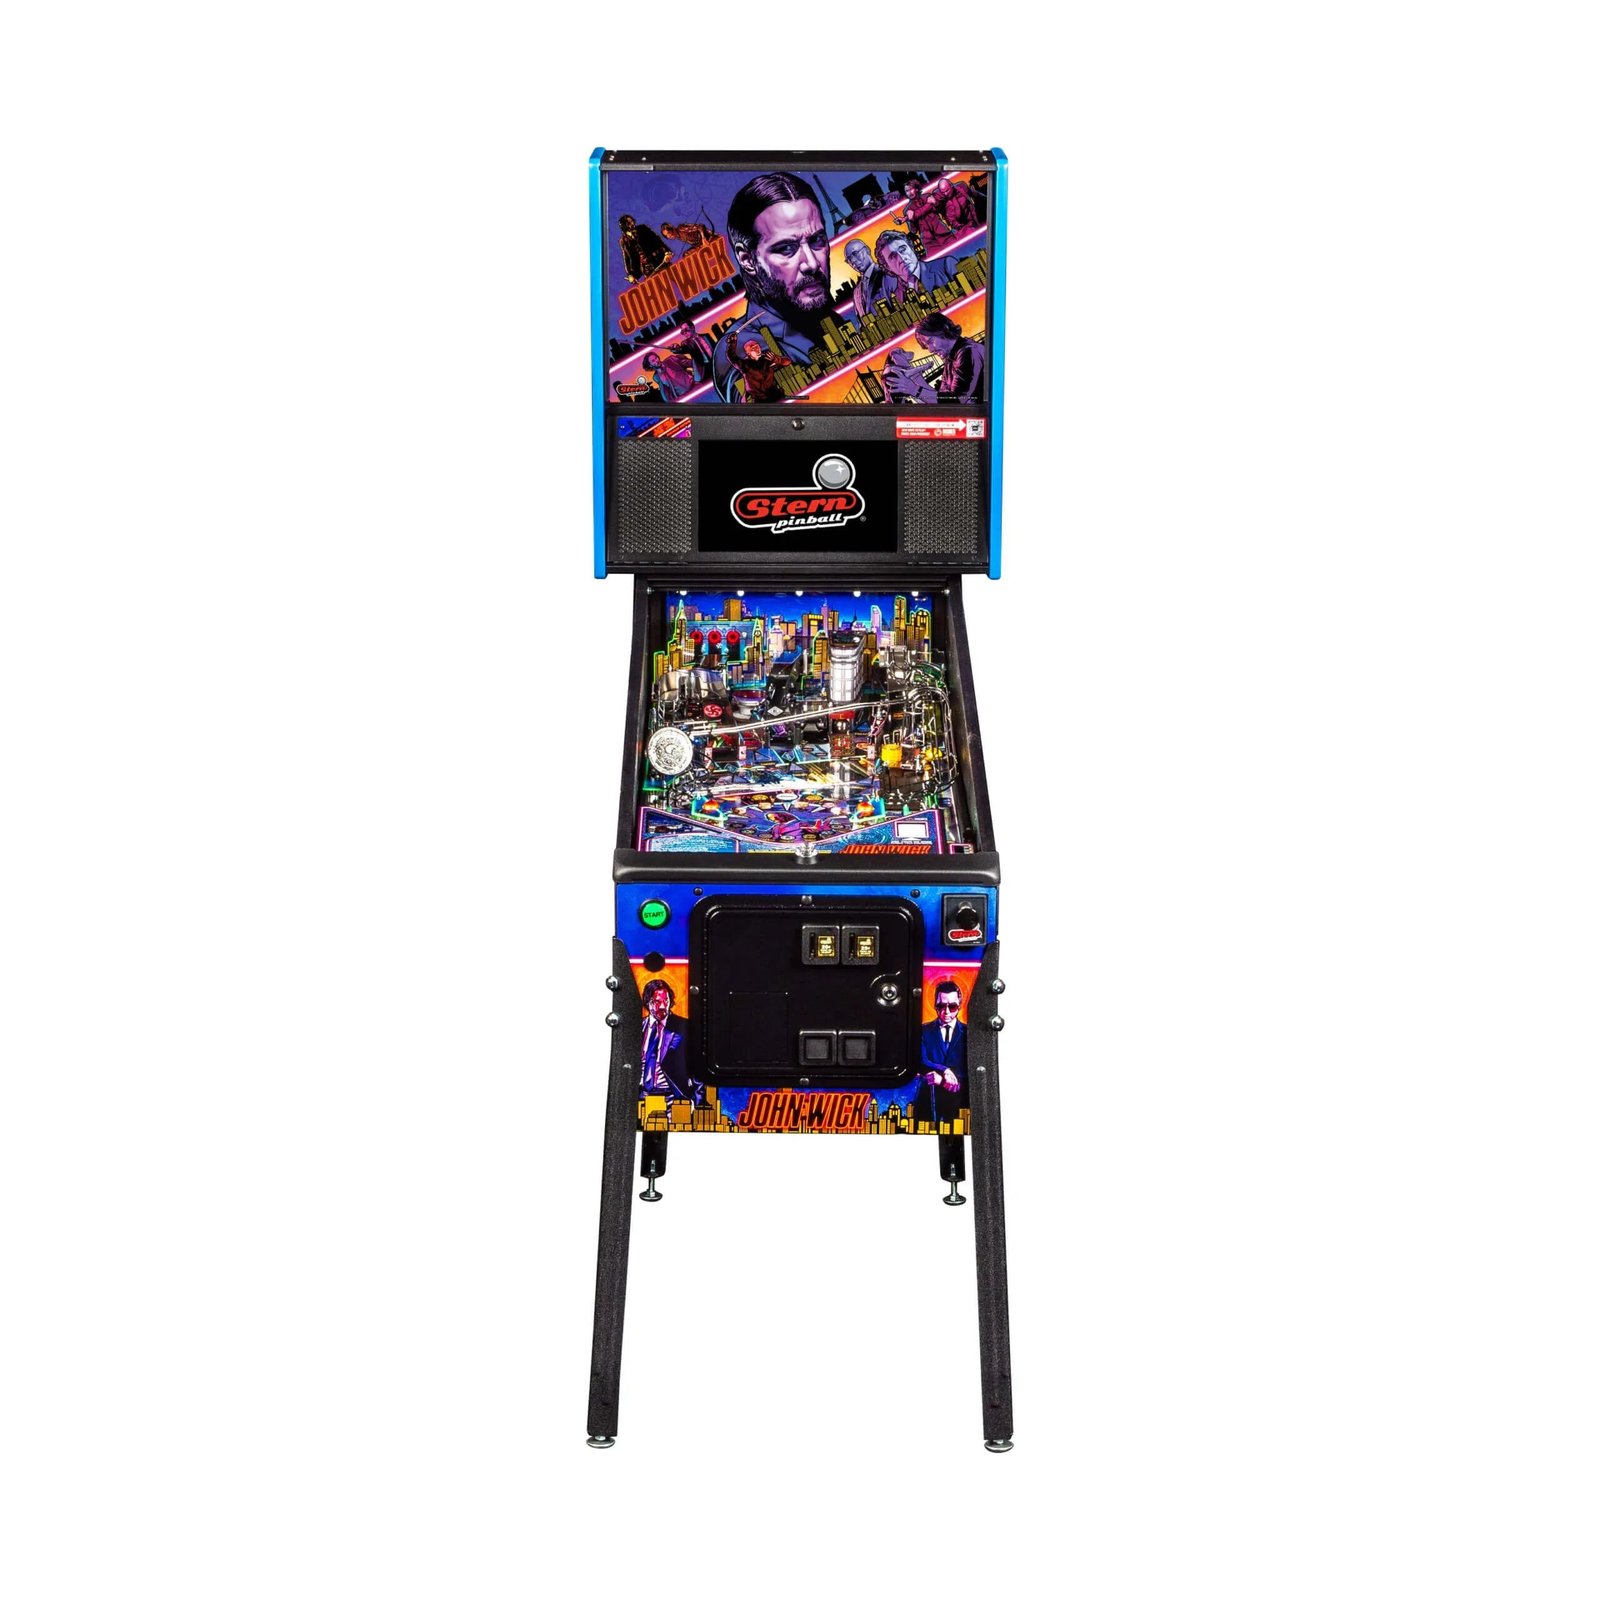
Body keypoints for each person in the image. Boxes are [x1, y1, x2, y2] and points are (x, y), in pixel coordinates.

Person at [713, 172, 834, 401]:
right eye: (786, 248)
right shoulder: (744, 346)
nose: (811, 263)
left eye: (817, 240)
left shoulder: (827, 319)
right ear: (748, 260)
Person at [884, 311, 985, 404]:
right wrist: (914, 383)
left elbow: (957, 400)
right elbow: (941, 398)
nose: (930, 350)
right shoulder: (950, 360)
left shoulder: (969, 352)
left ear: (944, 332)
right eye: (926, 346)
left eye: (931, 341)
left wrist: (914, 389)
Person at [911, 981, 966, 1125]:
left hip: (959, 1104)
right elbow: (919, 1060)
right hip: (928, 1102)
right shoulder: (923, 1031)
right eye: (941, 1006)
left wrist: (941, 1080)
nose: (946, 1011)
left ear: (959, 1006)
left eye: (952, 1006)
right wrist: (944, 1070)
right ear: (935, 1005)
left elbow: (970, 1067)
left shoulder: (968, 1033)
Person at [640, 978, 697, 1102]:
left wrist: (697, 1101)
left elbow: (697, 1064)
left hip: (673, 1097)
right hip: (640, 1096)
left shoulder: (684, 1027)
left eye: (666, 1001)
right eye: (657, 1001)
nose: (662, 1006)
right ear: (647, 1001)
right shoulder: (638, 1028)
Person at [723, 332, 791, 403]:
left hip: (775, 395)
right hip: (759, 400)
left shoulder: (767, 359)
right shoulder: (745, 364)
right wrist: (732, 342)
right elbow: (731, 357)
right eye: (753, 348)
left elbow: (787, 361)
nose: (757, 349)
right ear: (748, 353)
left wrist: (777, 360)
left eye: (757, 346)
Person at [844, 237, 886, 323]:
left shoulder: (886, 273)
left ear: (867, 250)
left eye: (855, 254)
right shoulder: (856, 292)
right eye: (849, 259)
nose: (853, 261)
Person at [618, 214, 670, 283]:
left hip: (660, 259)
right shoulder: (624, 241)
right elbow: (627, 258)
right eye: (629, 223)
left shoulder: (643, 228)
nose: (632, 224)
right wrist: (630, 274)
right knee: (659, 286)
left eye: (632, 221)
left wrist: (667, 251)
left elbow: (657, 239)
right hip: (647, 269)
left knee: (675, 277)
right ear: (624, 226)